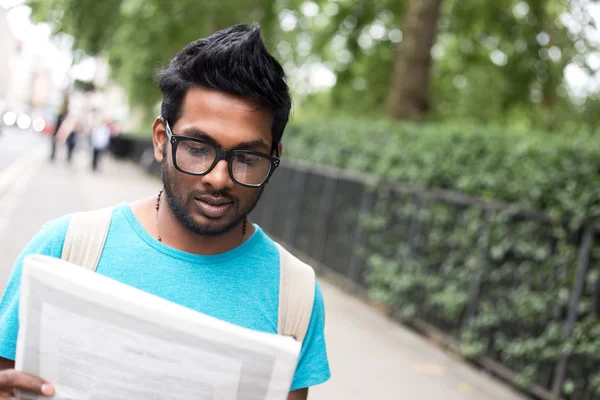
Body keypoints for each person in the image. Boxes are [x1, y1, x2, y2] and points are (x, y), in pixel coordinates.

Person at [0, 23, 330, 399]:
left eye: (247, 157)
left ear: (274, 157)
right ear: (161, 140)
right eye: (197, 147)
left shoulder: (295, 294)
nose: (219, 178)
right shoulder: (65, 249)